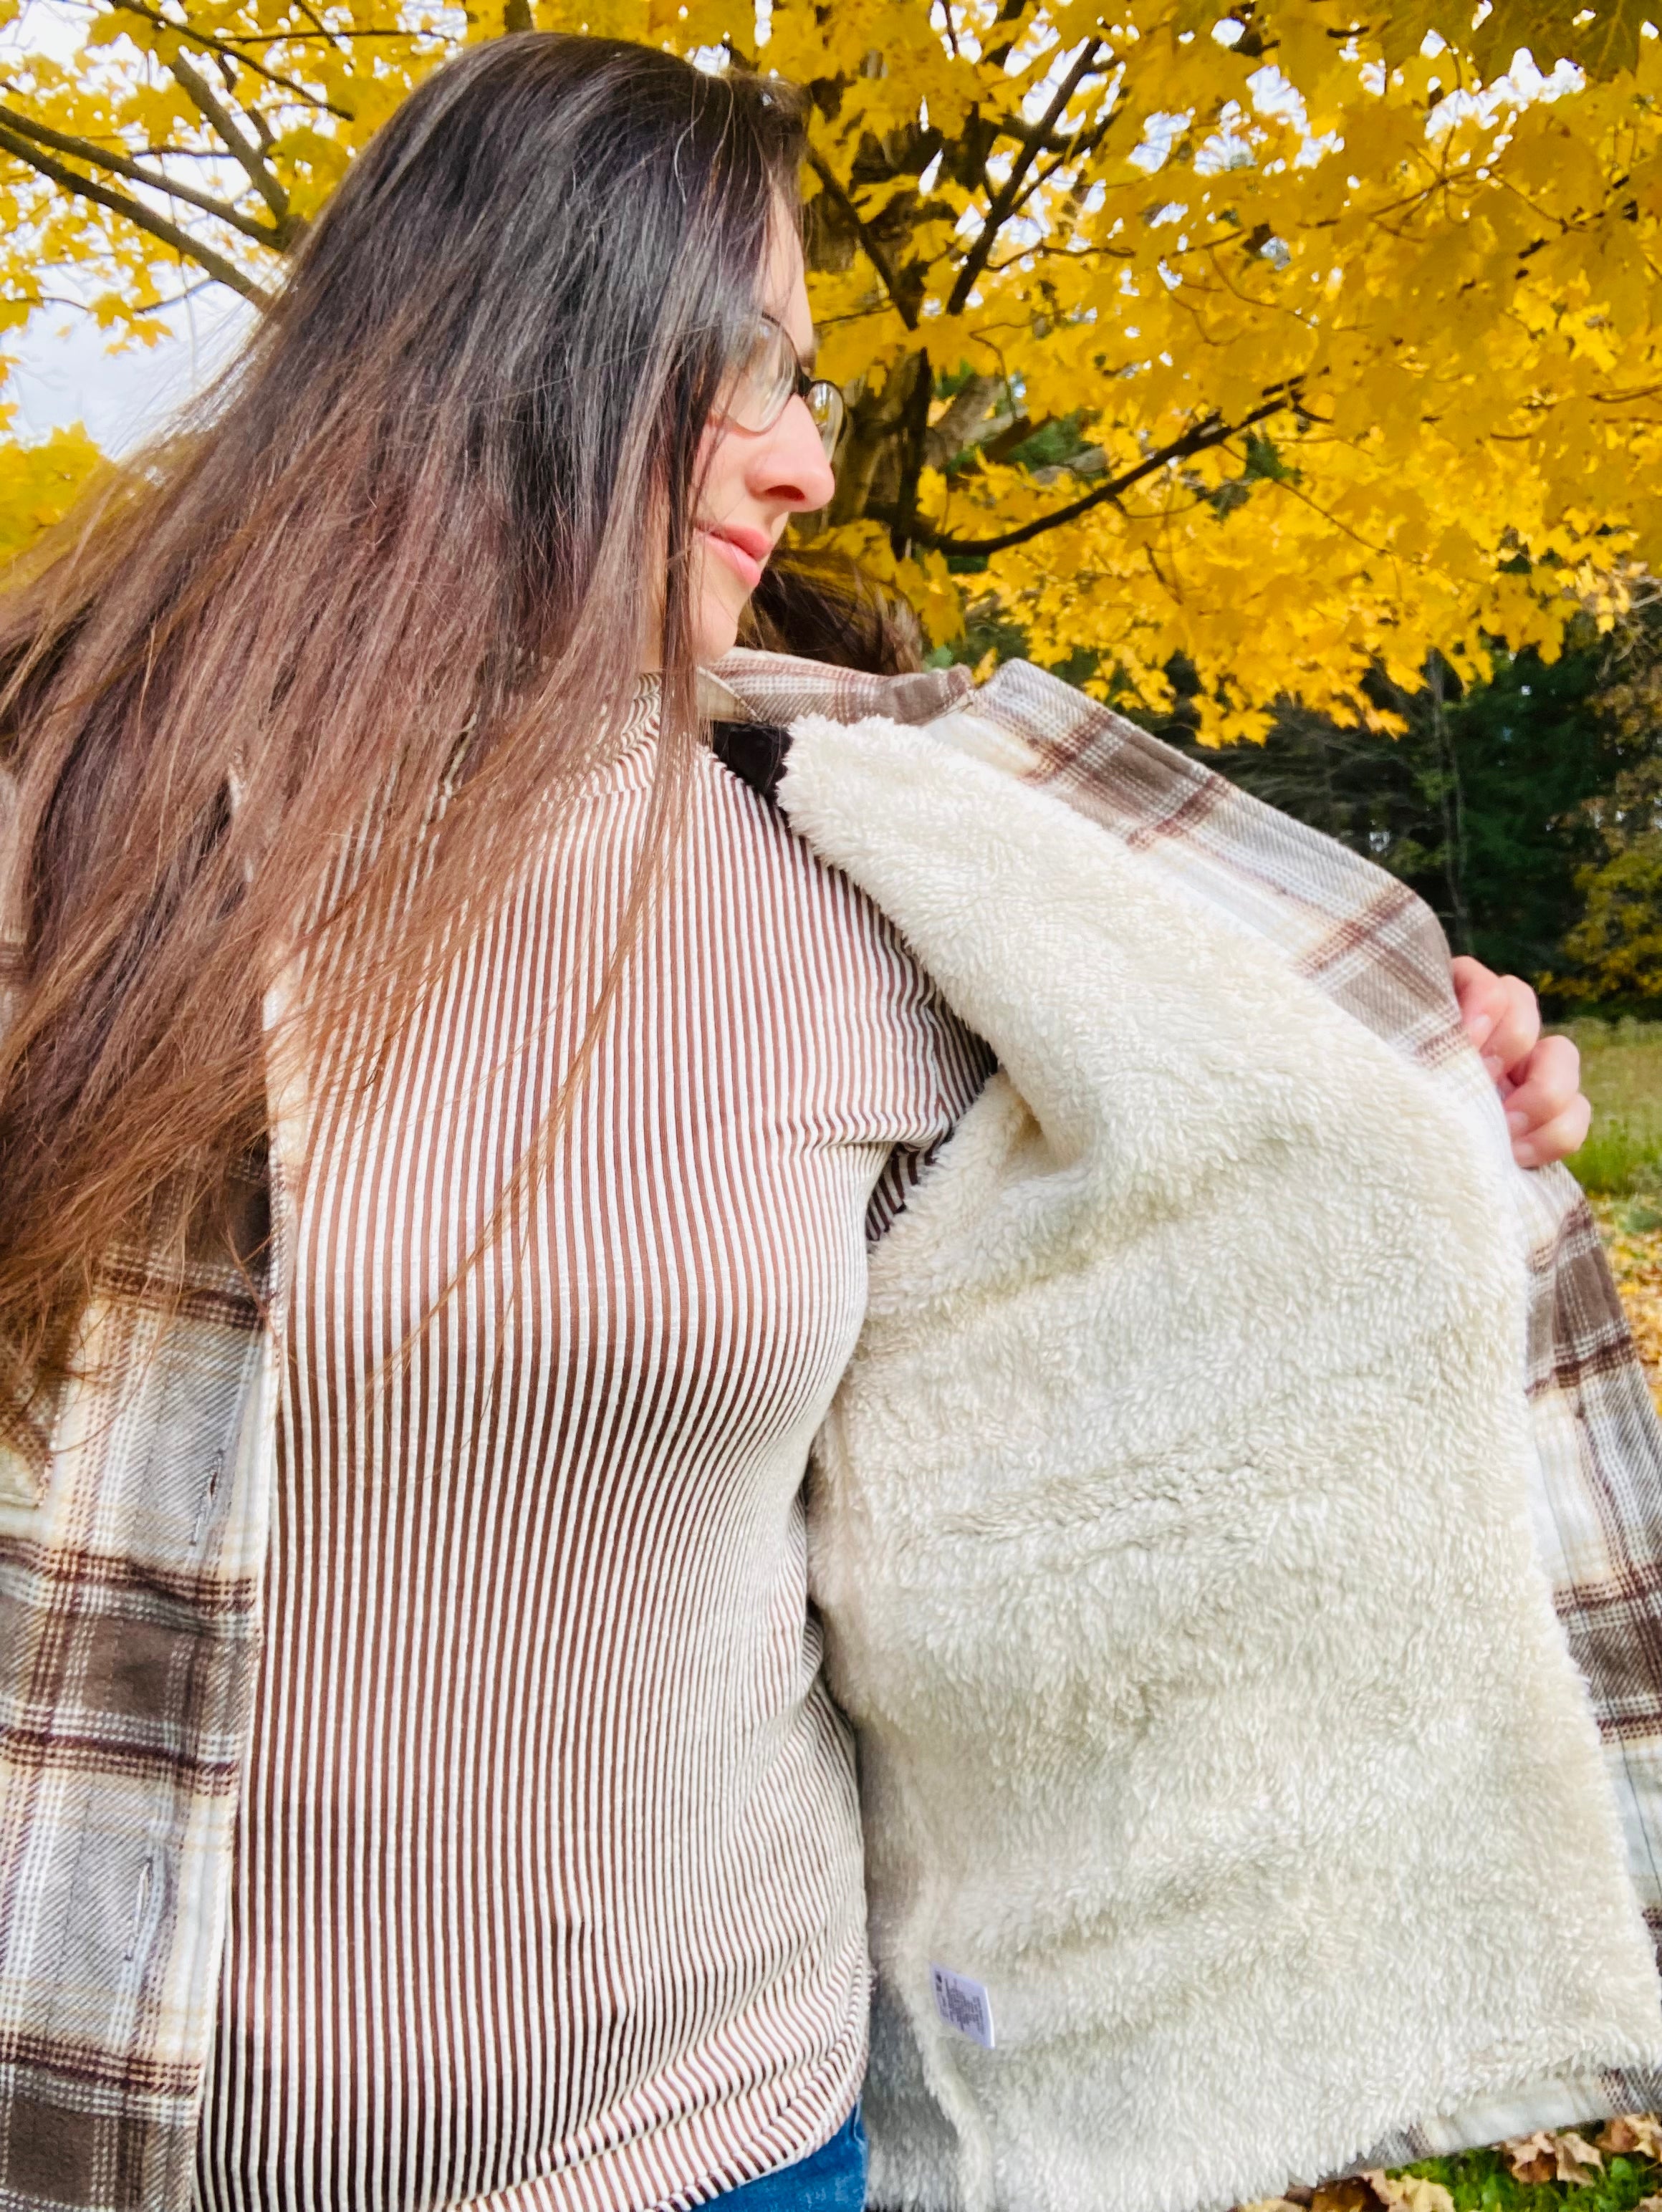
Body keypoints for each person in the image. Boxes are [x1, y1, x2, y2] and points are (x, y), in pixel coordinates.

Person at [0, 33, 1603, 2212]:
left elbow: (1180, 1271)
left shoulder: (879, 876)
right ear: (534, 347)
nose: (810, 471)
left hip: (738, 2150)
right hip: (104, 2152)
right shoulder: (68, 849)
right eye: (751, 375)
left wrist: (1435, 1092)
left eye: (817, 391)